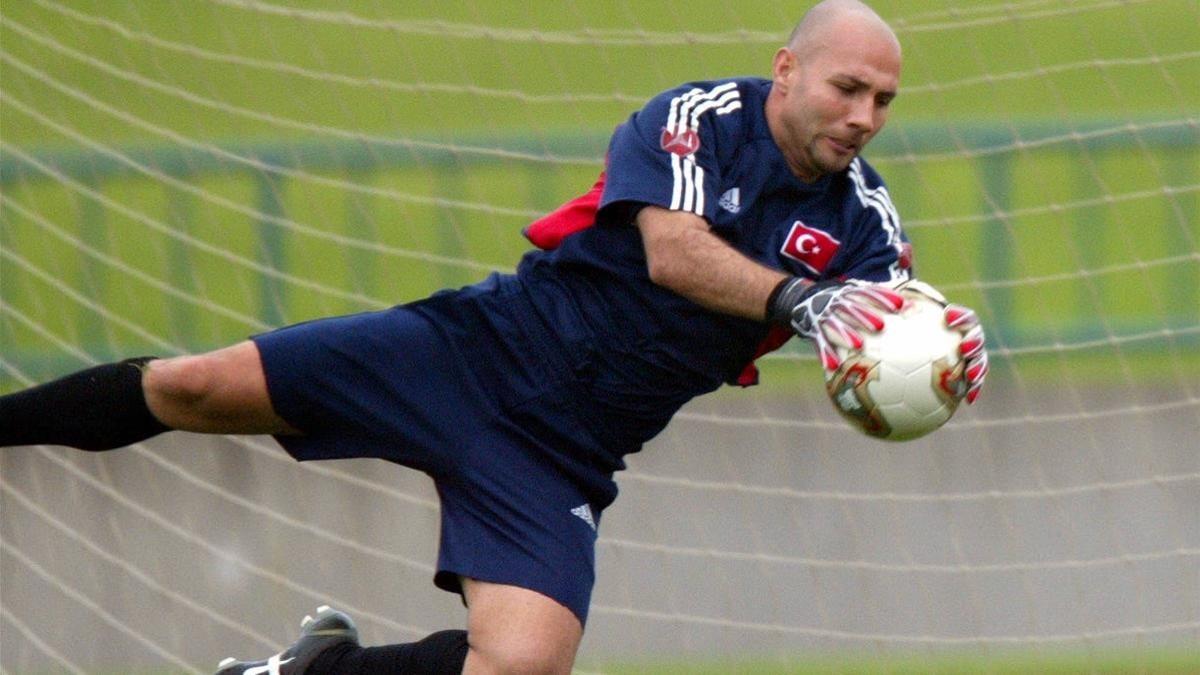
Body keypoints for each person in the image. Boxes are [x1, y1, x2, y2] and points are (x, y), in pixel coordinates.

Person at [0, 1, 988, 673]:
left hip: (562, 452)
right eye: (846, 88)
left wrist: (940, 349)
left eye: (883, 101)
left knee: (520, 664)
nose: (863, 117)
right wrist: (798, 302)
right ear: (788, 70)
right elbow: (675, 254)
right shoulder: (696, 119)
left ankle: (320, 670)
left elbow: (881, 333)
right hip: (471, 352)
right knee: (193, 387)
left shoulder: (865, 219)